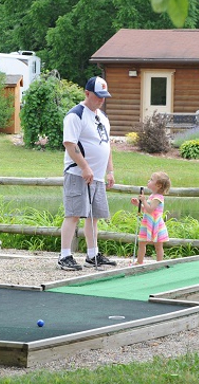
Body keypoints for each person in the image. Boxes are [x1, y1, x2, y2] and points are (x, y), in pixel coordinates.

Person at [58, 76, 117, 271]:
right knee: (73, 214)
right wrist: (84, 166)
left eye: (104, 97)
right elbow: (70, 143)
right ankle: (65, 255)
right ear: (87, 93)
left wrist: (110, 171)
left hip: (98, 176)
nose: (101, 100)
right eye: (98, 96)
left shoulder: (103, 117)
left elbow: (106, 145)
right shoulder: (76, 115)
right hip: (78, 174)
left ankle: (93, 255)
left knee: (94, 217)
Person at [131, 171, 170, 265]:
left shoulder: (158, 198)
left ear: (159, 185)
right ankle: (139, 261)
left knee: (158, 245)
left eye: (151, 180)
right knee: (142, 243)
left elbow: (151, 210)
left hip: (155, 224)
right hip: (148, 222)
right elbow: (147, 210)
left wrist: (143, 200)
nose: (149, 181)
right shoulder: (152, 196)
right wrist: (138, 204)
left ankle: (159, 262)